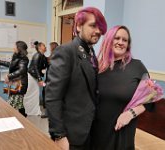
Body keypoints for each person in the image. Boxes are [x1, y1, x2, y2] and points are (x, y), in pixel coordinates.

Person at [45, 7, 107, 150]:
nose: (97, 31)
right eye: (92, 25)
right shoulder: (66, 51)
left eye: (100, 27)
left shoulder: (90, 53)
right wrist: (59, 135)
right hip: (71, 135)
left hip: (88, 131)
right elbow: (53, 97)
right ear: (78, 26)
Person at [92, 25, 153, 150]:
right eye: (117, 38)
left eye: (124, 40)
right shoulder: (98, 68)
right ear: (109, 40)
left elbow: (151, 97)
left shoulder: (137, 66)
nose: (120, 42)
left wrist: (130, 114)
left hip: (122, 134)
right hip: (95, 134)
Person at [0, 41, 29, 117]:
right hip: (15, 83)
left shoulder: (24, 58)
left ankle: (10, 119)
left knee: (11, 103)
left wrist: (9, 76)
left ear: (19, 48)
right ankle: (23, 116)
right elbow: (11, 65)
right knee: (18, 102)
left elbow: (22, 70)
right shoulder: (16, 56)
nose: (13, 47)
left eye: (14, 46)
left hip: (19, 84)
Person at [25, 41, 48, 116]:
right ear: (39, 47)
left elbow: (45, 65)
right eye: (44, 45)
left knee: (34, 94)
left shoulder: (42, 56)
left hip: (34, 77)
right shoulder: (37, 55)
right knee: (31, 94)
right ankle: (29, 111)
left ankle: (33, 111)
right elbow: (35, 68)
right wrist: (40, 79)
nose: (45, 47)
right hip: (32, 77)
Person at [41, 41, 59, 118]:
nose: (48, 48)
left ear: (53, 48)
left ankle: (48, 113)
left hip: (52, 79)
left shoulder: (56, 57)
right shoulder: (52, 56)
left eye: (50, 47)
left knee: (48, 95)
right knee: (45, 92)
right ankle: (48, 111)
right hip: (49, 79)